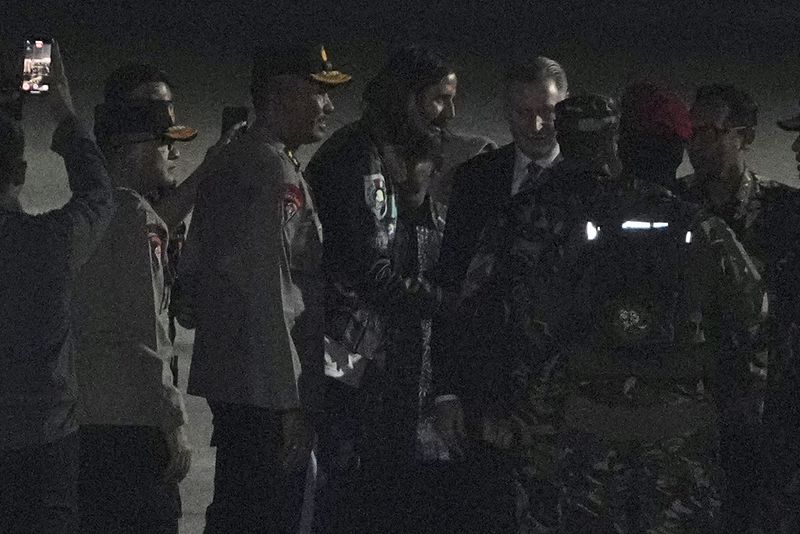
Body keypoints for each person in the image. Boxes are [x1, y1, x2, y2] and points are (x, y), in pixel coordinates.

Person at [449, 93, 766, 533]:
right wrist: (735, 408)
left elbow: (532, 324)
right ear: (678, 153)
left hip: (589, 440)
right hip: (681, 444)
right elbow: (754, 321)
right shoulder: (704, 229)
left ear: (621, 146)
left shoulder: (574, 226)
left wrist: (533, 417)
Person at [175, 44, 350, 533]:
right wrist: (290, 402)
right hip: (266, 390)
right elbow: (269, 294)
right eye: (319, 92)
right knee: (266, 514)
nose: (330, 106)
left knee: (237, 509)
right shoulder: (271, 172)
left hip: (242, 384)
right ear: (281, 95)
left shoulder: (243, 159)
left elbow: (195, 279)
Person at [304, 43, 458, 533]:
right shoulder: (356, 156)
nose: (448, 113)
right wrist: (449, 303)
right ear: (408, 99)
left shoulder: (400, 153)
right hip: (345, 356)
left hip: (382, 360)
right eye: (438, 100)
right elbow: (369, 274)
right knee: (348, 481)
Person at [71, 63, 202, 534]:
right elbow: (144, 337)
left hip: (91, 422)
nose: (174, 151)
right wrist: (174, 422)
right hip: (132, 427)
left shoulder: (95, 208)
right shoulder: (132, 217)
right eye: (164, 141)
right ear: (129, 147)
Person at [0, 41, 114, 533]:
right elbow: (98, 193)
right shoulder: (49, 243)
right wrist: (62, 108)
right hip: (44, 447)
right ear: (20, 172)